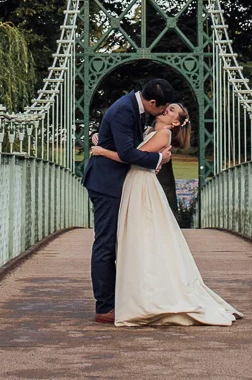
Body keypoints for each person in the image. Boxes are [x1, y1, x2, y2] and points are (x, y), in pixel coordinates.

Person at [89, 102, 241, 327]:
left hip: (141, 186)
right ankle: (133, 295)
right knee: (135, 241)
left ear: (176, 122)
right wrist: (100, 137)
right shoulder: (147, 130)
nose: (165, 110)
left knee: (146, 238)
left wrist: (102, 151)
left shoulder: (163, 134)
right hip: (131, 184)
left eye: (172, 111)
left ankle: (148, 296)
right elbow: (124, 142)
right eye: (167, 107)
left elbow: (130, 156)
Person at [82, 79, 173, 324]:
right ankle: (104, 307)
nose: (163, 112)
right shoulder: (124, 110)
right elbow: (127, 153)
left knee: (120, 244)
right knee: (105, 243)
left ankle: (120, 300)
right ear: (152, 102)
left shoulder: (134, 107)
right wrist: (159, 159)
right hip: (107, 184)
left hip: (118, 182)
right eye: (162, 108)